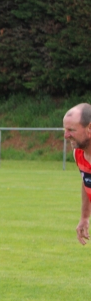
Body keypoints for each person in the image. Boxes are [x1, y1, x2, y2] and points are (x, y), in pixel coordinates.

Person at [64, 103, 91, 245]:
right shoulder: (78, 154)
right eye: (65, 129)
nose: (65, 135)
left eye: (71, 130)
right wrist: (85, 217)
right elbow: (87, 181)